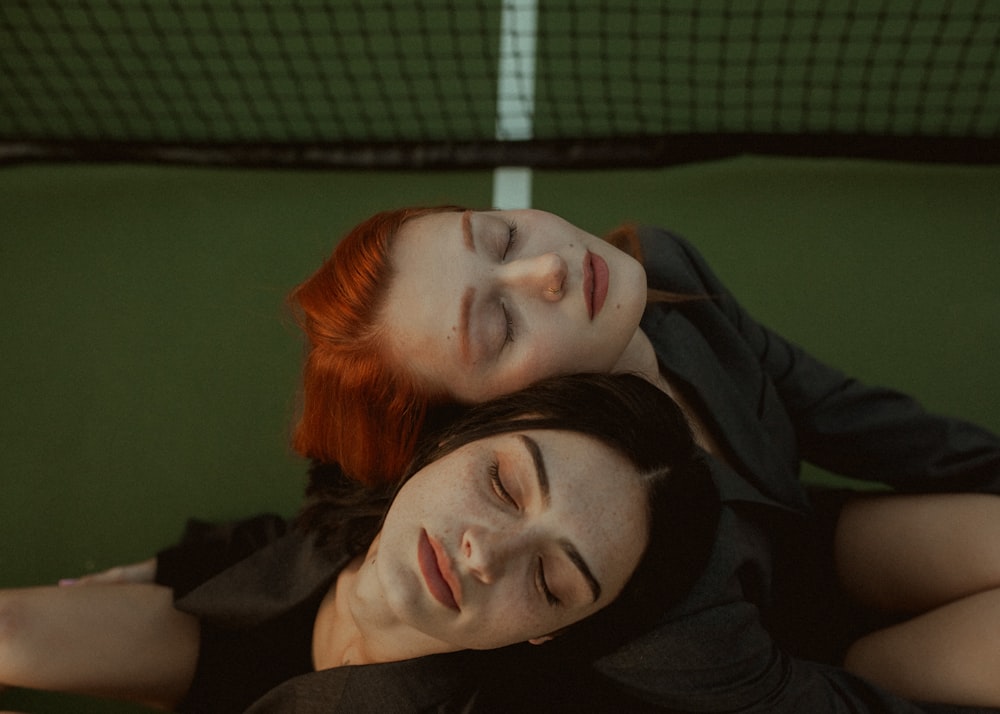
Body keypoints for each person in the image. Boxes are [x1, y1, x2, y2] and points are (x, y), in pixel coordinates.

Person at [286, 206, 1000, 712]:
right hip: (786, 657)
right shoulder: (649, 605)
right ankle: (875, 650)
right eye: (499, 328)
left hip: (815, 538)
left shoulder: (665, 273)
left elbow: (843, 412)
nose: (547, 269)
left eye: (499, 237)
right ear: (484, 417)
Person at [0, 373, 719, 713]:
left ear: (551, 635)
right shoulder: (355, 503)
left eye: (551, 583)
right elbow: (293, 535)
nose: (484, 554)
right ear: (456, 439)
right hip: (241, 636)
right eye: (503, 485)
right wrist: (170, 567)